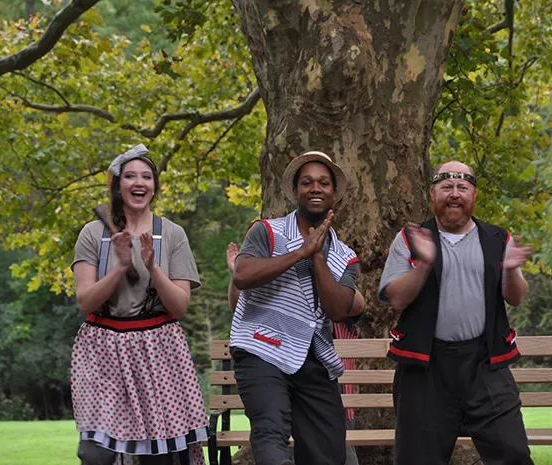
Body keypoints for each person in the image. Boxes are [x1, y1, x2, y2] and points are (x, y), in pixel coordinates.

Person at [379, 161, 533, 465]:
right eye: (446, 187)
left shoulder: (497, 239)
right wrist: (423, 264)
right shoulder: (411, 238)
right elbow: (395, 299)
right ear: (433, 193)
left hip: (485, 364)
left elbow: (515, 298)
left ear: (473, 195)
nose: (454, 194)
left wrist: (512, 270)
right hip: (425, 368)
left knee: (513, 453)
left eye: (462, 187)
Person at [70, 144, 208, 465]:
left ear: (154, 187)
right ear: (117, 185)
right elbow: (84, 302)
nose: (139, 182)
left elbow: (180, 306)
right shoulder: (93, 234)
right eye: (130, 176)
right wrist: (119, 266)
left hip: (159, 346)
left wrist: (152, 266)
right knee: (95, 453)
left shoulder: (171, 234)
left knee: (162, 453)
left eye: (147, 176)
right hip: (102, 346)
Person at [229, 151, 363, 465]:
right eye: (307, 183)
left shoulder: (345, 256)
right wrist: (301, 252)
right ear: (295, 191)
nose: (315, 188)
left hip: (312, 358)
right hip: (261, 350)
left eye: (323, 183)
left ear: (333, 194)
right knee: (270, 433)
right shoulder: (266, 231)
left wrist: (317, 256)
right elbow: (244, 274)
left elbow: (339, 310)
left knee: (329, 451)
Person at [226, 242, 363, 465]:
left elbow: (355, 305)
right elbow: (238, 307)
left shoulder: (336, 267)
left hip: (324, 394)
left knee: (334, 453)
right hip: (278, 383)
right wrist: (238, 276)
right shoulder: (274, 279)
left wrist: (318, 266)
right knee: (275, 442)